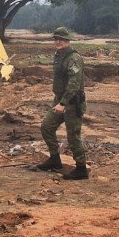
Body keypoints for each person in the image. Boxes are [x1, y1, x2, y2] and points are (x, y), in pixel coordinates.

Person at [33, 27, 89, 180]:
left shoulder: (74, 58)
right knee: (46, 126)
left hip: (72, 102)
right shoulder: (59, 55)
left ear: (68, 40)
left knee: (73, 136)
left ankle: (81, 169)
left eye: (61, 39)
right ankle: (54, 159)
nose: (58, 42)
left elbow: (74, 84)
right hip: (59, 100)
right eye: (56, 39)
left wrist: (63, 104)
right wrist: (59, 101)